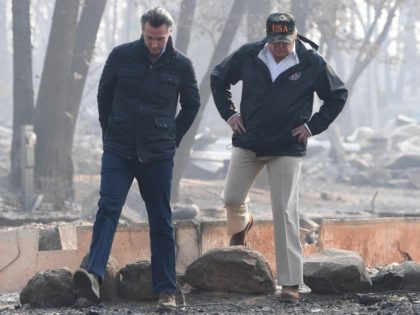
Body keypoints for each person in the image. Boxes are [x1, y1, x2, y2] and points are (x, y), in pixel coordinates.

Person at [210, 13, 348, 303]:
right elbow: (218, 77)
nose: (280, 48)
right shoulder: (249, 54)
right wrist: (229, 113)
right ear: (267, 39)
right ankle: (242, 225)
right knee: (232, 198)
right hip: (249, 140)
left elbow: (337, 94)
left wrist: (312, 126)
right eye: (275, 43)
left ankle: (290, 284)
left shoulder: (311, 62)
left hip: (287, 145)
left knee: (284, 212)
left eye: (285, 43)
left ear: (295, 37)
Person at [73, 7, 200, 311]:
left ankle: (167, 290)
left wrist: (172, 137)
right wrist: (111, 131)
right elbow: (104, 96)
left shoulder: (181, 65)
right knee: (108, 209)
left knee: (160, 220)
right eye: (149, 37)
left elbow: (192, 105)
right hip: (119, 149)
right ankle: (93, 278)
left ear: (168, 33)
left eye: (160, 38)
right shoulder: (121, 55)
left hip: (158, 153)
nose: (154, 43)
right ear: (142, 31)